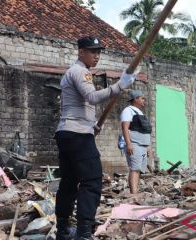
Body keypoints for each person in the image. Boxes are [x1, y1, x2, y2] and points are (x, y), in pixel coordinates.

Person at [55, 36, 137, 240]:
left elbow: (77, 107)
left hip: (67, 132)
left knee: (68, 182)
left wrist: (93, 125)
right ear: (81, 52)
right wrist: (119, 86)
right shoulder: (80, 71)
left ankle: (62, 230)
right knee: (91, 182)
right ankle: (83, 233)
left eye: (99, 52)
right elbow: (91, 97)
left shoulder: (72, 73)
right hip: (77, 135)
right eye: (92, 51)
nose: (97, 56)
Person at [120, 90, 151, 194]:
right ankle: (133, 194)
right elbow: (125, 127)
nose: (144, 100)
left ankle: (135, 192)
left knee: (138, 170)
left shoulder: (140, 112)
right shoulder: (128, 111)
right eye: (142, 98)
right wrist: (128, 144)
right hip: (134, 144)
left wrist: (147, 147)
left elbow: (144, 131)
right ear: (135, 99)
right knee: (134, 169)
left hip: (142, 145)